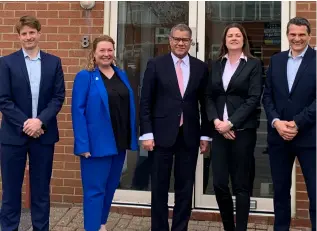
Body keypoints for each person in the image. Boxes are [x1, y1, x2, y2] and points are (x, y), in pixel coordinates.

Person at [139, 24, 211, 231]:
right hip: (160, 135)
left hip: (189, 135)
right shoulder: (156, 64)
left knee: (185, 188)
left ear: (190, 42)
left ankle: (180, 228)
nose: (181, 43)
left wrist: (205, 135)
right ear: (169, 40)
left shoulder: (200, 67)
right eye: (177, 39)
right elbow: (146, 101)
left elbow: (205, 104)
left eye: (185, 40)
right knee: (159, 187)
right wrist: (146, 133)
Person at [0, 15, 65, 231]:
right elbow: (3, 99)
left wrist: (40, 122)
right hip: (13, 136)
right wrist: (27, 123)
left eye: (32, 32)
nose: (28, 37)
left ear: (39, 33)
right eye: (24, 33)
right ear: (18, 36)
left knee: (41, 191)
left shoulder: (53, 62)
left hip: (43, 135)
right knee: (10, 191)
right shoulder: (6, 63)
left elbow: (58, 97)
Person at [71, 35, 138, 231]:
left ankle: (101, 225)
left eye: (110, 50)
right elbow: (78, 111)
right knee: (94, 191)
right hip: (95, 145)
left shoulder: (121, 74)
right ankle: (91, 227)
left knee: (109, 189)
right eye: (102, 50)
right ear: (94, 53)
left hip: (119, 142)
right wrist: (82, 145)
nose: (106, 54)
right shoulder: (86, 76)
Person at [205, 23, 263, 231]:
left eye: (238, 35)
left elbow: (254, 97)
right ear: (224, 40)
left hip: (243, 132)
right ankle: (229, 227)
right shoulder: (216, 64)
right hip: (219, 130)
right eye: (230, 35)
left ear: (244, 39)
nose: (234, 38)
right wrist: (217, 122)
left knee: (241, 185)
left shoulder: (253, 64)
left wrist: (231, 123)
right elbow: (209, 96)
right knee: (219, 182)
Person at [262, 17, 316, 231]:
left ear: (309, 35)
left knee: (315, 192)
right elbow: (268, 96)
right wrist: (276, 122)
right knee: (281, 193)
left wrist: (297, 123)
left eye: (302, 34)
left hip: (310, 137)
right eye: (293, 34)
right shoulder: (276, 60)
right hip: (279, 137)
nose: (297, 38)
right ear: (287, 35)